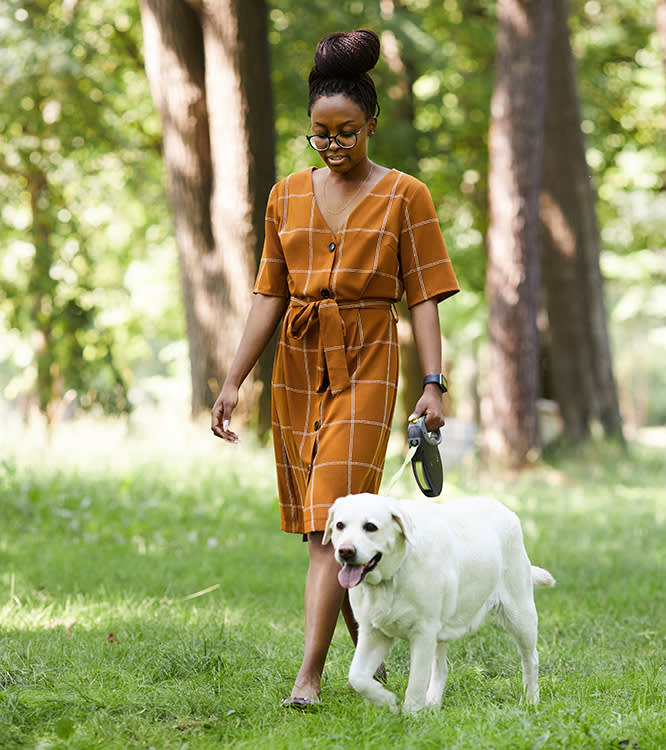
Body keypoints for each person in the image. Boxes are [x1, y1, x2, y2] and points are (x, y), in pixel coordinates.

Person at [210, 28, 459, 708]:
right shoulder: (285, 195)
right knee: (324, 531)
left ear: (371, 125)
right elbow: (269, 293)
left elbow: (426, 296)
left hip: (369, 360)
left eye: (346, 133)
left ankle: (309, 682)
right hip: (296, 362)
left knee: (330, 528)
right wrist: (235, 380)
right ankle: (369, 658)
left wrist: (433, 383)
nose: (334, 145)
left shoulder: (408, 195)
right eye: (321, 135)